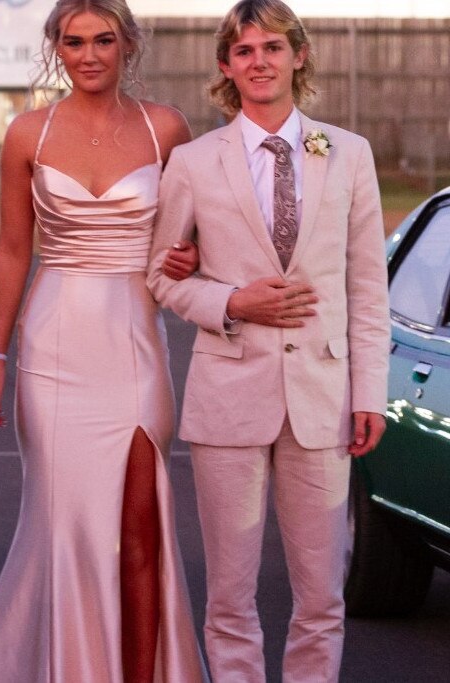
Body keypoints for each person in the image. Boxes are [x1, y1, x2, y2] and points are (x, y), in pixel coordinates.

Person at [0, 1, 207, 681]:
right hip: (51, 345)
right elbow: (12, 249)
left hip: (134, 343)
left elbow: (196, 239)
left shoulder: (167, 129)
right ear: (56, 49)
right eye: (74, 41)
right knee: (63, 527)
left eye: (103, 40)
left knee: (140, 523)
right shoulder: (27, 134)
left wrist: (187, 256)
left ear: (129, 45)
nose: (89, 54)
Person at [147, 1, 391, 681]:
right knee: (230, 596)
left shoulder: (350, 154)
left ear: (299, 55)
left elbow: (368, 287)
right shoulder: (194, 162)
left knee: (321, 595)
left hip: (325, 398)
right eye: (245, 50)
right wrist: (231, 300)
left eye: (273, 48)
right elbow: (161, 277)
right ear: (226, 65)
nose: (260, 62)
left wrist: (368, 390)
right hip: (229, 397)